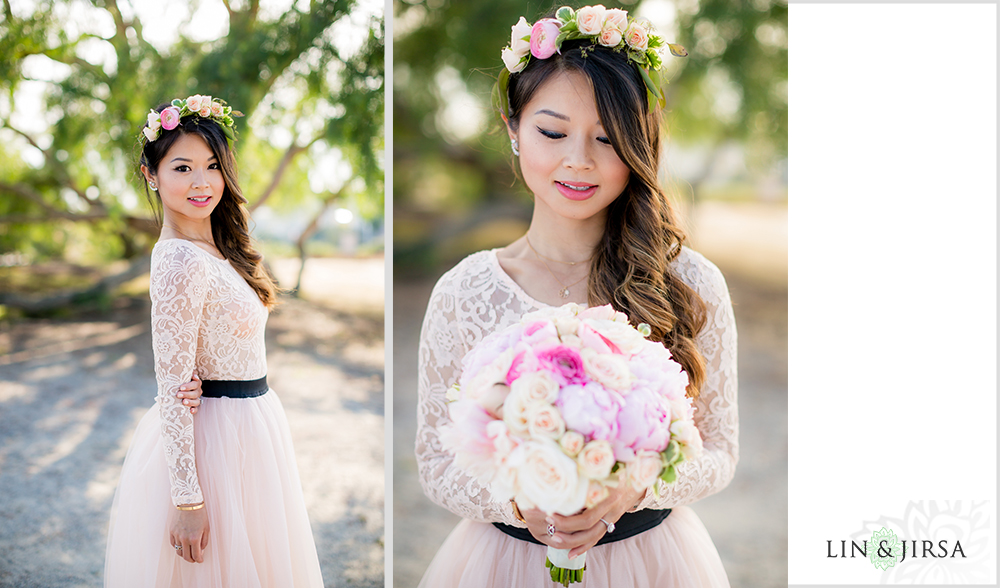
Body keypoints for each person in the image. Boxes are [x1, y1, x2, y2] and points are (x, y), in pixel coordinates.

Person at [415, 6, 738, 587]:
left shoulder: (690, 284)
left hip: (652, 559)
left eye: (608, 139)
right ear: (513, 130)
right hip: (507, 562)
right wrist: (520, 502)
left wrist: (632, 487)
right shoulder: (464, 292)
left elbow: (719, 451)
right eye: (553, 131)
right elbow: (436, 464)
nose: (579, 160)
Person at [104, 95, 324, 587]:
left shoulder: (216, 247)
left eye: (212, 166)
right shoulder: (179, 260)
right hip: (216, 443)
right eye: (182, 167)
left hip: (251, 426)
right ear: (151, 174)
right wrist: (187, 499)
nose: (201, 182)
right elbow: (172, 384)